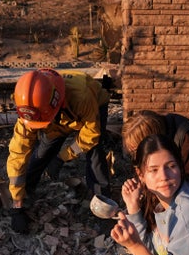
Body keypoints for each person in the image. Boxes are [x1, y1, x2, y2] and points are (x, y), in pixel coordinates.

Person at [7, 68, 111, 233]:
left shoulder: (81, 96)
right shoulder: (30, 109)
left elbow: (90, 135)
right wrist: (16, 205)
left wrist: (62, 157)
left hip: (93, 106)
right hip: (53, 118)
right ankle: (25, 194)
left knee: (95, 153)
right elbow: (18, 154)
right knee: (42, 153)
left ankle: (102, 203)